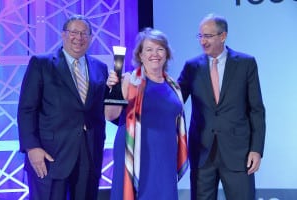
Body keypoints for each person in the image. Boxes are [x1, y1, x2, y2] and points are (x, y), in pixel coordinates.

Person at [17, 15, 109, 200]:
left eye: (84, 33)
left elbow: (105, 110)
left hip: (89, 153)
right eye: (74, 32)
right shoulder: (41, 63)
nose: (79, 37)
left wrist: (120, 91)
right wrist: (31, 147)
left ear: (91, 38)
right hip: (50, 154)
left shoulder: (100, 68)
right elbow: (27, 109)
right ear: (63, 35)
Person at [177, 13, 266, 200]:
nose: (202, 41)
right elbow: (174, 100)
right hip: (202, 153)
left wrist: (256, 149)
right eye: (200, 36)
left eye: (208, 36)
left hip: (238, 153)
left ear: (223, 36)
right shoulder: (191, 67)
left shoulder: (245, 64)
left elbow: (256, 109)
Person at [105, 27, 189, 200]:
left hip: (165, 158)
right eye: (149, 49)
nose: (155, 54)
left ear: (166, 54)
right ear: (140, 55)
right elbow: (110, 115)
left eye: (160, 49)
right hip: (136, 155)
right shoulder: (129, 80)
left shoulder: (174, 86)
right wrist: (112, 90)